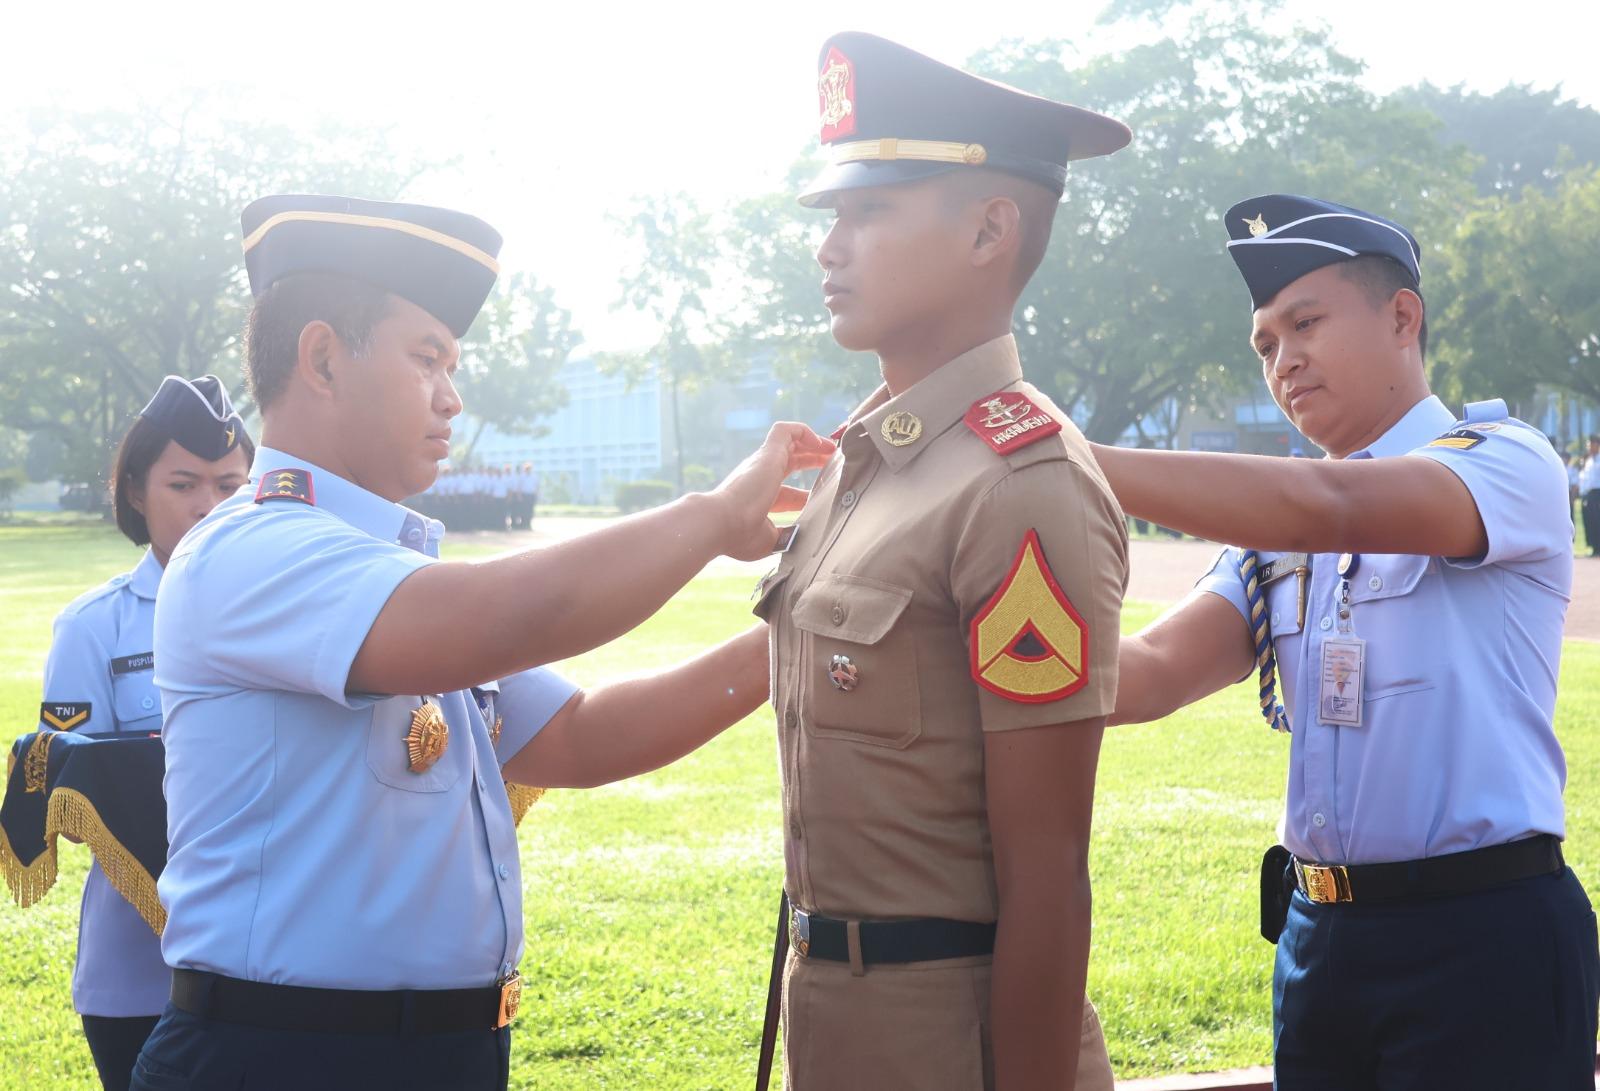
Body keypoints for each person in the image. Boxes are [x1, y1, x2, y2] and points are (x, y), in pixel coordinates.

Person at [130, 195, 831, 1091]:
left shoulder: (378, 568)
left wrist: (799, 626)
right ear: (320, 358)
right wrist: (715, 517)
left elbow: (583, 733)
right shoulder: (252, 549)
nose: (452, 395)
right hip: (281, 1054)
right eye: (428, 358)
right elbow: (519, 613)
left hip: (432, 1052)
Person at [1093, 194, 1599, 1089]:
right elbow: (1146, 675)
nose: (1284, 360)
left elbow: (1331, 506)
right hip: (1320, 937)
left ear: (1403, 315)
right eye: (1265, 344)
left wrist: (1053, 456)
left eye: (1306, 322)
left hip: (1479, 934)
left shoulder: (1504, 459)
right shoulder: (1272, 529)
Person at [756, 33, 1131, 1090]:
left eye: (869, 211)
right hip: (835, 1021)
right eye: (831, 214)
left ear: (988, 228)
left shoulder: (1016, 483)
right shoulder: (868, 457)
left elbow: (1047, 876)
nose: (830, 245)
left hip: (952, 1038)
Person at [40, 374, 253, 1091]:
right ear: (136, 492)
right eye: (184, 483)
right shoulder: (95, 627)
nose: (209, 506)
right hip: (139, 969)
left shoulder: (284, 613)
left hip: (273, 963)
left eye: (230, 484)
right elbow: (67, 794)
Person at [1581, 433, 1600, 556]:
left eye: (1591, 444)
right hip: (1589, 494)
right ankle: (1594, 547)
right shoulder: (1588, 461)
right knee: (1590, 521)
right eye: (1588, 445)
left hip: (1598, 492)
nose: (1589, 447)